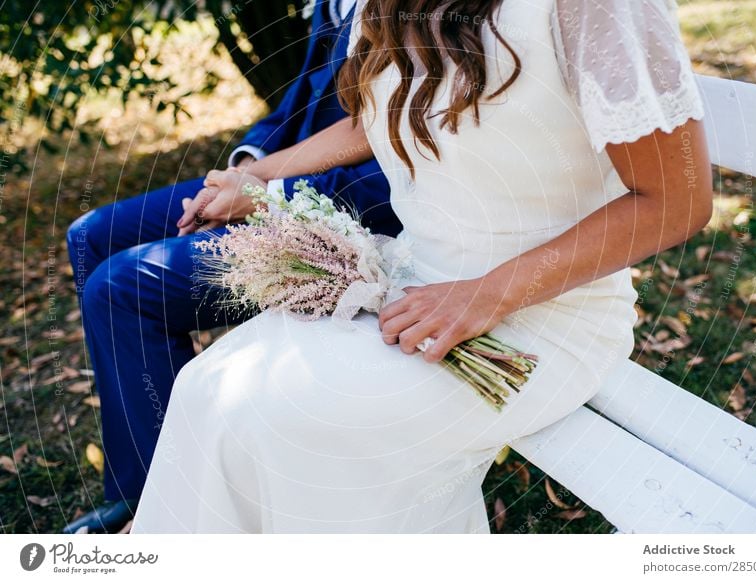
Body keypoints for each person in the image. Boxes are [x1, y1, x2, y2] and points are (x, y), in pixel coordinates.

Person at [130, 0, 713, 533]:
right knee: (209, 390)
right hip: (410, 284)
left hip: (543, 315)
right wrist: (259, 176)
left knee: (296, 424)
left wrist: (486, 294)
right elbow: (377, 113)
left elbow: (676, 199)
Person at [63, 0, 400, 534]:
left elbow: (388, 169)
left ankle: (159, 507)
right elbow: (302, 101)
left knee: (118, 289)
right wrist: (243, 167)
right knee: (91, 237)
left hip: (346, 210)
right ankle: (145, 445)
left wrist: (267, 194)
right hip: (277, 174)